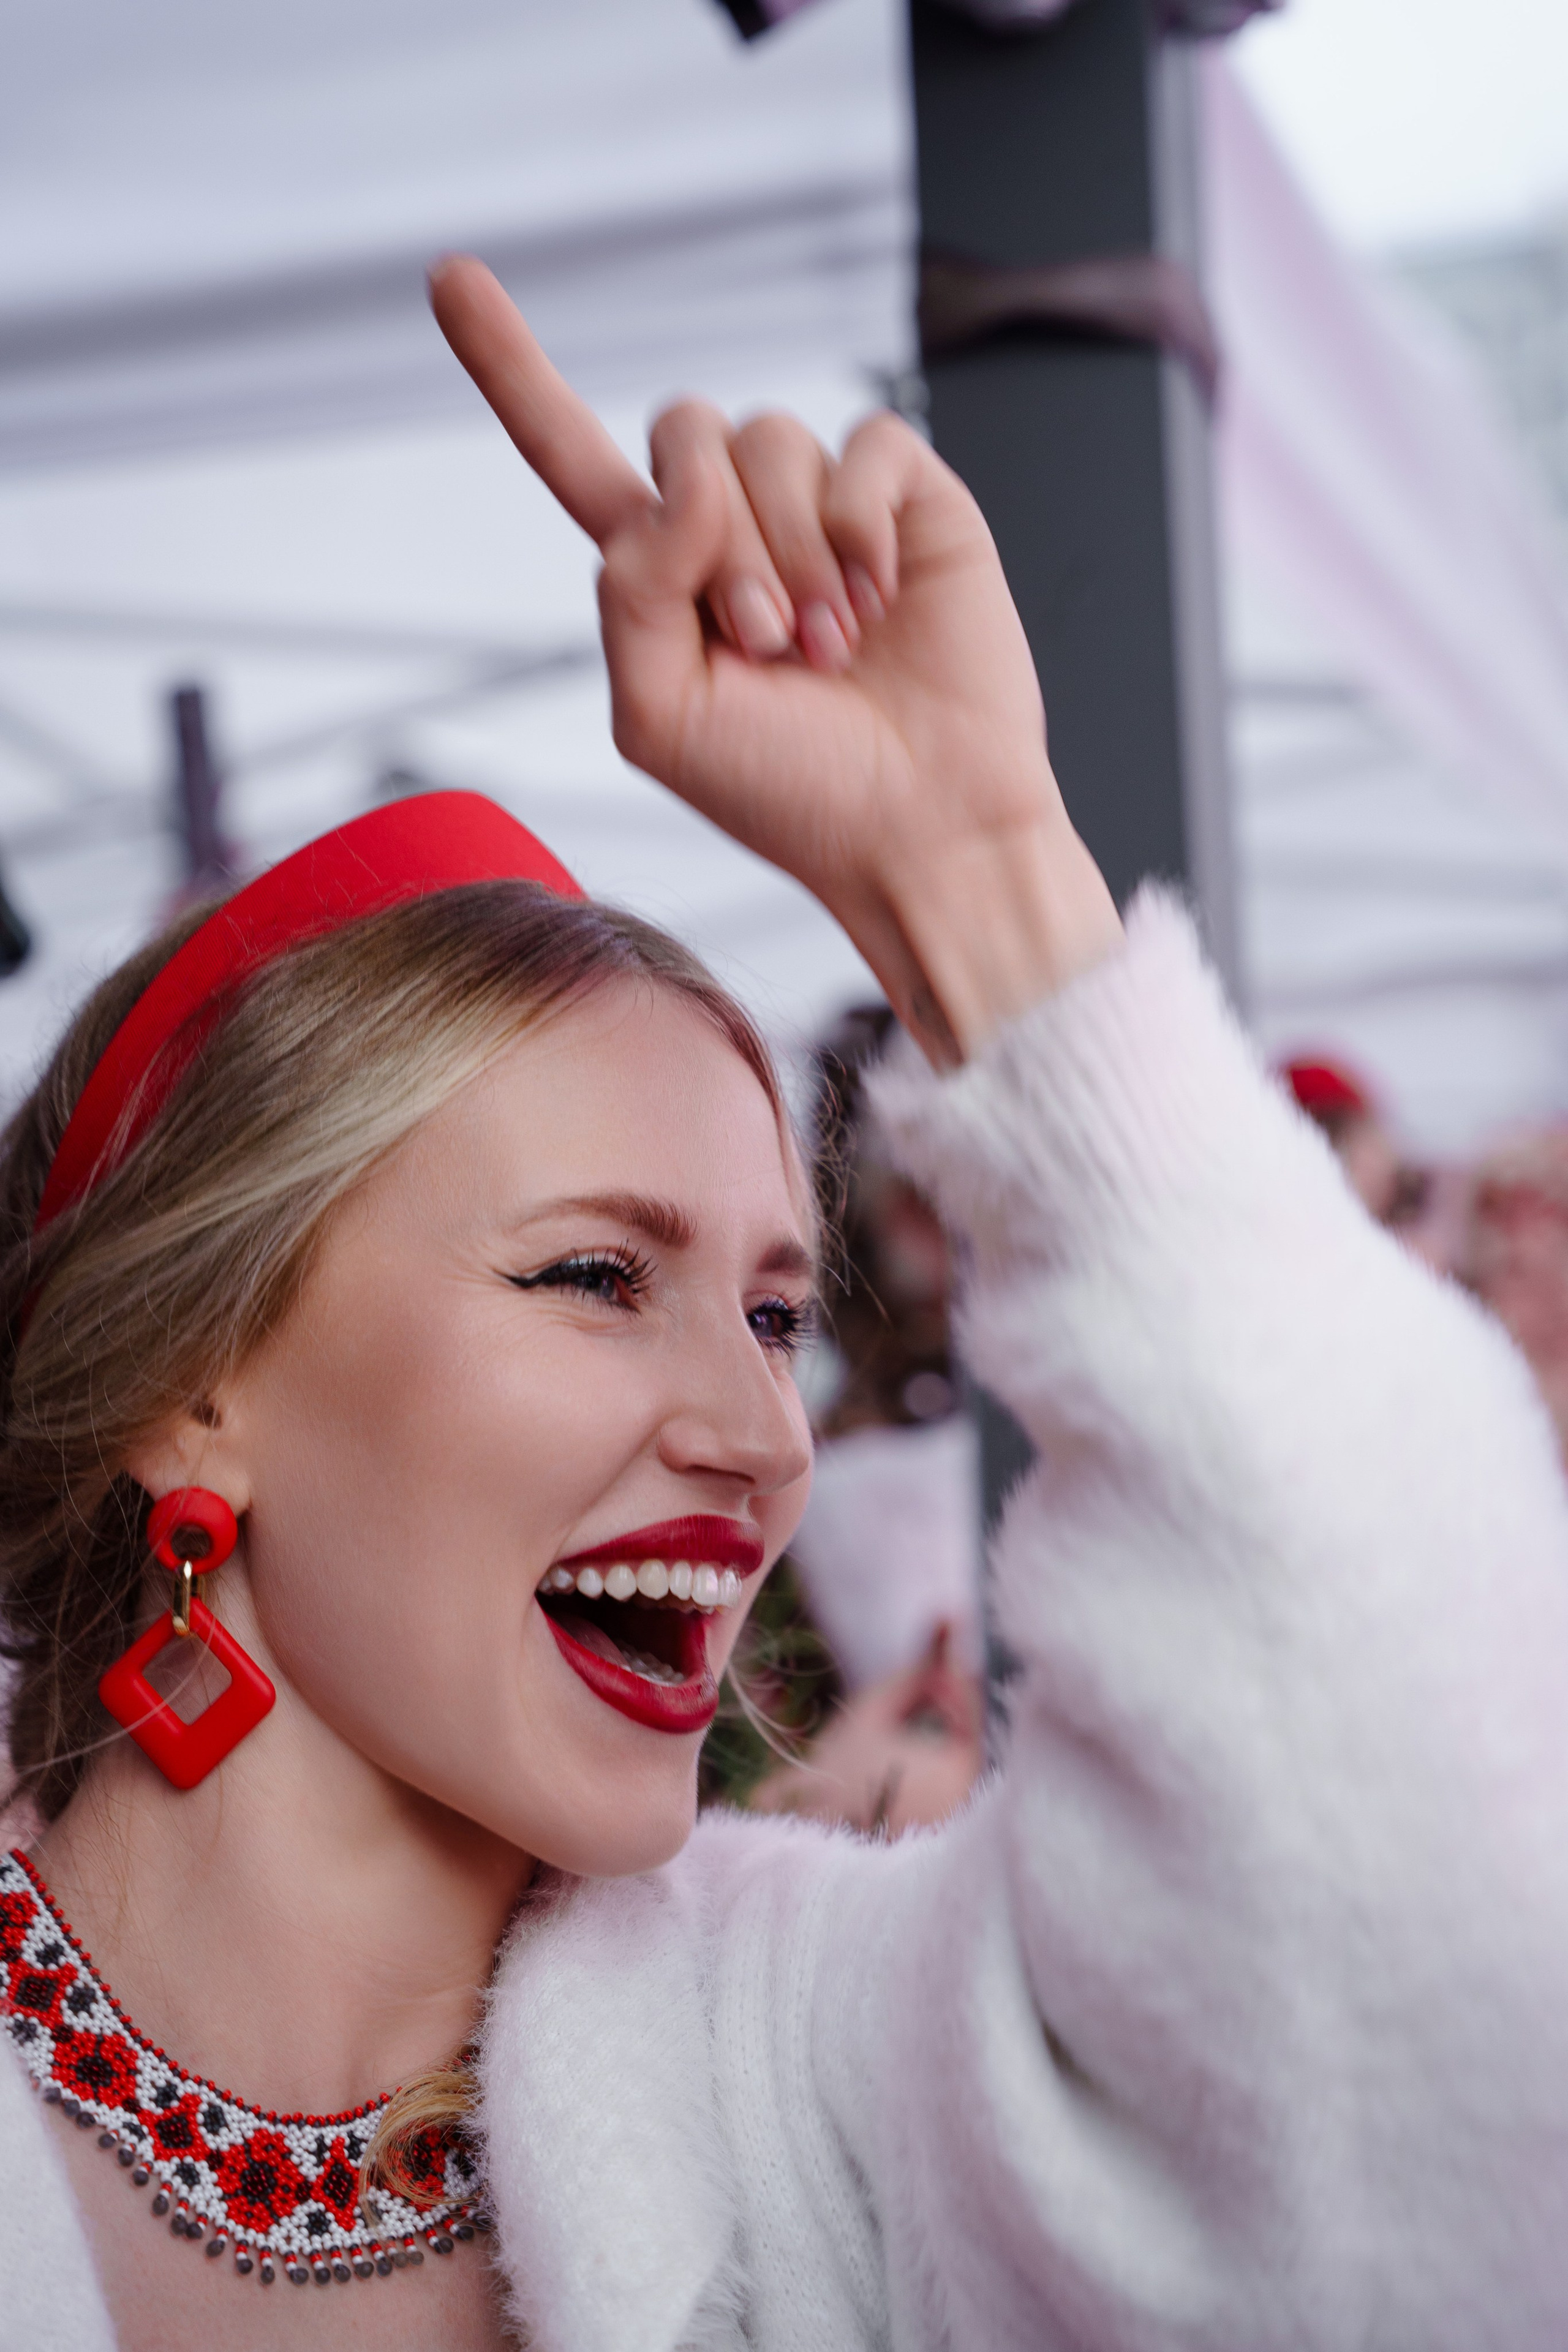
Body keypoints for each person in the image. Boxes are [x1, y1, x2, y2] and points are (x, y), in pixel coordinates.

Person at [1, 257, 1567, 2351]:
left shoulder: (816, 2072)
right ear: (193, 1384)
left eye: (768, 1314)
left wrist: (983, 874)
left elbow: (1439, 1978)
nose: (765, 1439)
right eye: (592, 1275)